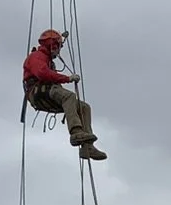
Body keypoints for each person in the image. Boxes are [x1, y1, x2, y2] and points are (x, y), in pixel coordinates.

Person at [21, 28, 107, 161]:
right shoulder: (37, 57)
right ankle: (76, 132)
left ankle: (87, 147)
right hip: (38, 92)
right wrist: (68, 78)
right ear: (52, 45)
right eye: (58, 46)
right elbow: (42, 73)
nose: (58, 50)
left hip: (46, 91)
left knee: (84, 107)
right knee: (69, 96)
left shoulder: (48, 60)